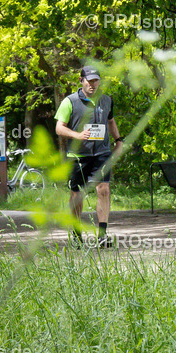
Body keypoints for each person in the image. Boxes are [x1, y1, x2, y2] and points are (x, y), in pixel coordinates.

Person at [55, 66, 124, 248]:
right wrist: (77, 136)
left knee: (104, 190)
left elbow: (110, 120)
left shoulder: (106, 100)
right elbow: (59, 128)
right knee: (76, 195)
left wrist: (119, 140)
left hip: (101, 153)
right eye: (89, 81)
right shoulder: (69, 102)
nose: (92, 84)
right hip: (77, 156)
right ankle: (77, 235)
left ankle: (102, 235)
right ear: (81, 80)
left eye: (96, 81)